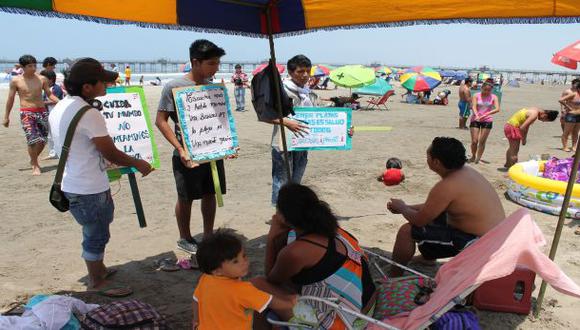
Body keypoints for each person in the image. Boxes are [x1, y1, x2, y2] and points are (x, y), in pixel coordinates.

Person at [48, 58, 153, 297]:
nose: (107, 83)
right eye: (102, 81)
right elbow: (109, 151)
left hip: (72, 182)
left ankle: (100, 270)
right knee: (96, 233)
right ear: (87, 87)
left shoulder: (62, 107)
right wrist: (138, 163)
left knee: (94, 229)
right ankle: (97, 279)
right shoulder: (88, 113)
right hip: (88, 187)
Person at [252, 184, 376, 328]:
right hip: (367, 309)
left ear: (284, 218)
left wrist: (272, 235)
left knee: (257, 285)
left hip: (346, 322)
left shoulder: (296, 252)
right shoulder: (333, 230)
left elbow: (272, 281)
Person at [387, 137, 505, 277]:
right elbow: (434, 207)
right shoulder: (467, 172)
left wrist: (402, 208)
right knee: (438, 217)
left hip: (480, 243)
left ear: (436, 162)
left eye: (428, 156)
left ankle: (394, 275)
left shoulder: (447, 186)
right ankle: (428, 258)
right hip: (495, 235)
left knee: (407, 231)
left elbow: (419, 220)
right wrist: (407, 207)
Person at [155, 39, 228, 254]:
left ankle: (208, 234)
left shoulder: (214, 87)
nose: (216, 68)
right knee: (185, 196)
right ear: (195, 62)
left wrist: (228, 144)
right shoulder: (174, 86)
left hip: (213, 151)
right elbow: (161, 121)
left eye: (217, 63)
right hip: (187, 153)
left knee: (210, 193)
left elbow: (221, 119)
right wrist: (180, 149)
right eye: (211, 63)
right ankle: (185, 237)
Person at [193, 229, 296, 330]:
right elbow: (270, 302)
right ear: (217, 271)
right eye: (235, 261)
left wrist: (196, 320)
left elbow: (196, 300)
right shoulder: (242, 290)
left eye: (244, 256)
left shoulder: (205, 279)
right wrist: (291, 302)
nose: (244, 262)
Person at [265, 55, 313, 206]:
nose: (305, 75)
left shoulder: (308, 93)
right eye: (300, 71)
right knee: (282, 181)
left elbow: (321, 116)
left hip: (302, 142)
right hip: (282, 143)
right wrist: (287, 123)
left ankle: (291, 213)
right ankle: (281, 215)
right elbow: (265, 114)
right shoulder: (280, 90)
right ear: (291, 72)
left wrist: (345, 130)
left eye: (307, 71)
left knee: (296, 181)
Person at [3, 55, 60, 175]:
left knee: (43, 140)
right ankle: (35, 165)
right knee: (32, 140)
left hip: (42, 111)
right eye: (30, 66)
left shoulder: (42, 79)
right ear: (23, 67)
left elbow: (50, 94)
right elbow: (10, 98)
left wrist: (60, 102)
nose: (33, 68)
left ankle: (33, 159)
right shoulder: (16, 81)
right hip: (26, 112)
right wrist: (6, 116)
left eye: (35, 65)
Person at [469, 81, 500, 164]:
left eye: (489, 90)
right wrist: (476, 115)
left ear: (491, 90)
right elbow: (473, 106)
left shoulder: (494, 97)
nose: (486, 92)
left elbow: (497, 109)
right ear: (482, 88)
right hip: (475, 119)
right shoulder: (476, 95)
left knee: (482, 141)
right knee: (474, 141)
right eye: (485, 89)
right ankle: (473, 155)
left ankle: (478, 158)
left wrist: (485, 114)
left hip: (487, 120)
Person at [39, 69, 64, 160]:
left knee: (54, 134)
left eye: (43, 79)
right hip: (47, 113)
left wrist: (42, 103)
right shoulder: (45, 88)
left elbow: (55, 100)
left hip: (54, 113)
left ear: (50, 79)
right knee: (49, 135)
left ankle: (56, 152)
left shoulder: (56, 88)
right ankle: (53, 152)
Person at [560, 79, 580, 152]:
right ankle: (565, 147)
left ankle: (574, 146)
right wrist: (569, 108)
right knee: (567, 132)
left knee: (575, 132)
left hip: (579, 116)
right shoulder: (573, 94)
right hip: (571, 115)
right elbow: (561, 100)